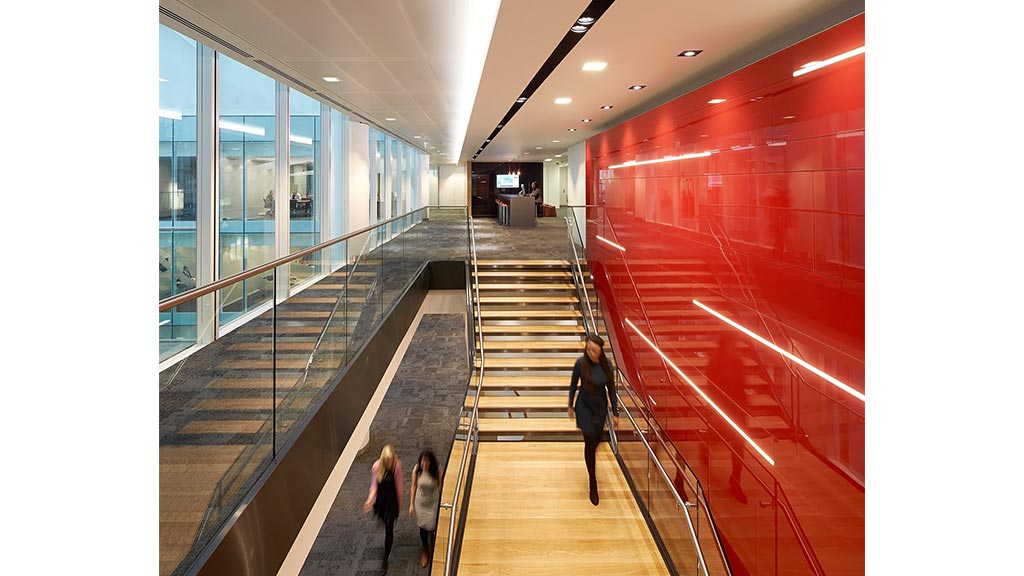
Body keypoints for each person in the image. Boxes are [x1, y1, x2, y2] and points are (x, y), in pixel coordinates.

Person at [567, 334, 619, 505]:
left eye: (594, 350)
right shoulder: (581, 363)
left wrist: (615, 413)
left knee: (595, 439)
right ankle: (593, 482)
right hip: (584, 406)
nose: (590, 352)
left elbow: (611, 389)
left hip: (600, 408)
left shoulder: (606, 365)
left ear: (600, 351)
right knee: (589, 438)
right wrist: (570, 405)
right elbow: (574, 384)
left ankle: (591, 452)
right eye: (588, 349)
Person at [363, 444, 403, 575]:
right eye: (387, 460)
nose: (389, 462)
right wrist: (370, 499)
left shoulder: (396, 466)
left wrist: (400, 502)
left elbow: (399, 485)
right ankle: (384, 520)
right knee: (384, 520)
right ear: (383, 459)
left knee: (389, 528)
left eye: (391, 459)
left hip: (391, 501)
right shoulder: (376, 466)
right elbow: (374, 486)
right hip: (381, 501)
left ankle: (385, 558)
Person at [409, 450, 441, 568]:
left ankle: (435, 549)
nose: (424, 465)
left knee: (433, 526)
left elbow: (439, 485)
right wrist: (411, 504)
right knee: (422, 528)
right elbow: (413, 486)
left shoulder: (436, 470)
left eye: (426, 462)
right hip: (421, 503)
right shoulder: (417, 470)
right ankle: (425, 550)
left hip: (433, 502)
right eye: (423, 462)